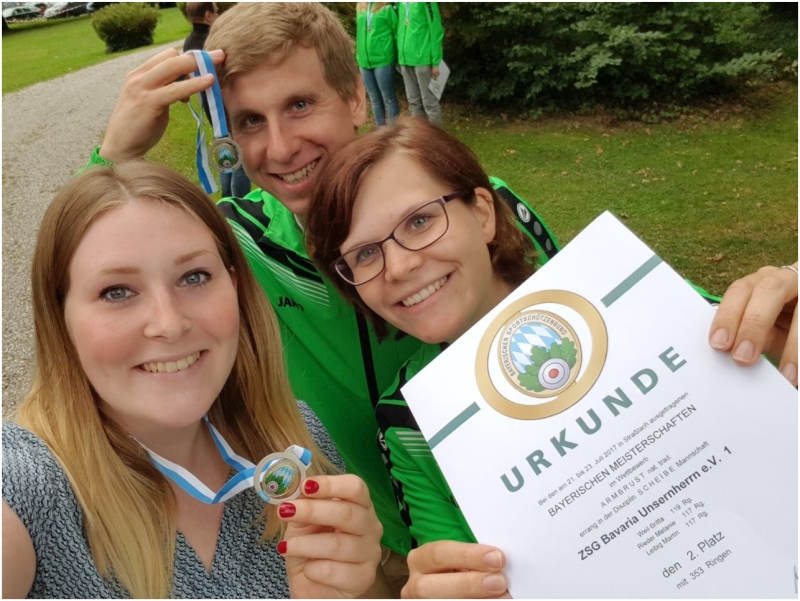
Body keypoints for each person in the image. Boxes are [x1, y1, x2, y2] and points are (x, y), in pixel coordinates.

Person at [82, 3, 560, 585]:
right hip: (358, 549)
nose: (281, 148)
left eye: (300, 105)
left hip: (541, 506)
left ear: (356, 97)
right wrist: (114, 156)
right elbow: (92, 290)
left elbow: (590, 330)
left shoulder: (467, 206)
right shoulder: (235, 245)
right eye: (250, 121)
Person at [305, 116, 799, 598]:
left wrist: (783, 329)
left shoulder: (627, 295)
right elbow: (454, 569)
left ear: (483, 213)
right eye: (364, 254)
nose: (398, 266)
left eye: (419, 221)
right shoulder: (409, 423)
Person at [2, 162, 386, 599]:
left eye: (194, 277)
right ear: (60, 318)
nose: (169, 324)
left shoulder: (295, 443)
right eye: (117, 292)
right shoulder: (25, 484)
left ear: (235, 287)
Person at [182, 1, 251, 198]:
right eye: (216, 11)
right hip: (227, 108)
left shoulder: (189, 43)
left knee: (224, 151)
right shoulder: (215, 42)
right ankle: (238, 203)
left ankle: (226, 200)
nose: (218, 15)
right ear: (208, 16)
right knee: (240, 160)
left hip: (211, 108)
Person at [397, 1, 444, 127]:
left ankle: (435, 135)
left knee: (429, 101)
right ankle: (419, 134)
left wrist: (436, 62)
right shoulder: (400, 3)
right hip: (405, 59)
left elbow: (436, 30)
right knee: (413, 102)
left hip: (423, 59)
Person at [356, 2, 401, 127]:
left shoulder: (387, 8)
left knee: (388, 98)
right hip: (364, 61)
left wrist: (398, 56)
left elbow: (397, 32)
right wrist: (359, 55)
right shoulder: (360, 6)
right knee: (374, 99)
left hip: (383, 59)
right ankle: (380, 131)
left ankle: (394, 131)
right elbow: (360, 33)